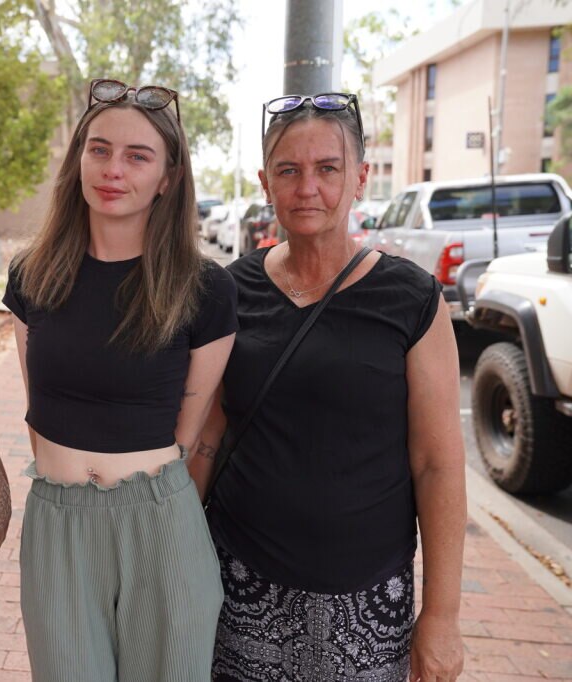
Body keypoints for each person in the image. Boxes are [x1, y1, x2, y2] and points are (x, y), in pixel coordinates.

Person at [191, 93, 466, 682]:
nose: (306, 187)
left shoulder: (412, 300)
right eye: (288, 170)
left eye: (327, 168)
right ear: (266, 183)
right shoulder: (229, 290)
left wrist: (440, 615)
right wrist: (169, 558)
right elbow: (208, 436)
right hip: (239, 589)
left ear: (361, 177)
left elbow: (438, 464)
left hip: (366, 605)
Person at [2, 78, 238, 682]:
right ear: (78, 159)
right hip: (58, 521)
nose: (113, 169)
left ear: (167, 178)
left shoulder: (204, 290)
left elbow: (184, 432)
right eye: (99, 149)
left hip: (158, 522)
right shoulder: (32, 276)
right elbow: (38, 412)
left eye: (138, 156)